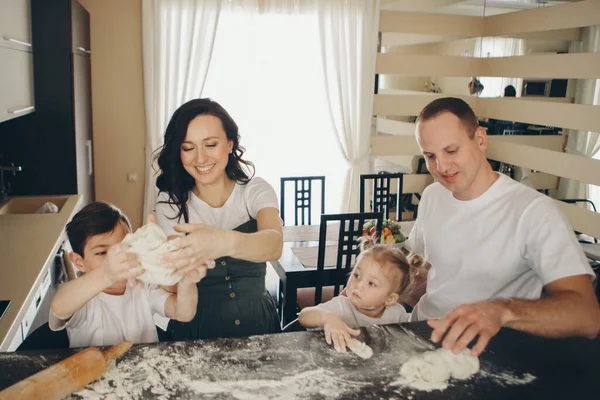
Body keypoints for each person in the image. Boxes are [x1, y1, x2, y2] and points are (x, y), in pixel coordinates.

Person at [408, 97, 600, 356]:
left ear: (480, 140)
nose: (441, 167)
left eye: (451, 151)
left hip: (487, 353)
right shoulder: (432, 195)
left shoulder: (534, 211)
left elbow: (586, 315)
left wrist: (503, 310)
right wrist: (377, 281)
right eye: (430, 156)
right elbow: (420, 267)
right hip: (419, 334)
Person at [154, 98, 283, 340]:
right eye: (188, 148)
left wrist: (221, 241)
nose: (200, 158)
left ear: (230, 144)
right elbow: (173, 282)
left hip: (258, 324)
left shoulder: (255, 190)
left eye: (210, 144)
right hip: (196, 329)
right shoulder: (169, 202)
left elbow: (273, 245)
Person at [49, 202, 203, 348]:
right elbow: (59, 307)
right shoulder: (83, 300)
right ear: (78, 261)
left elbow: (184, 313)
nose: (116, 258)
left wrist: (186, 280)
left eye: (124, 246)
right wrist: (107, 274)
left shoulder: (142, 287)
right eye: (102, 252)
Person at [298, 237, 424, 352]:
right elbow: (304, 316)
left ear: (390, 299)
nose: (359, 285)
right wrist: (327, 318)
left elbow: (405, 340)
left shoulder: (397, 313)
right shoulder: (342, 306)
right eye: (357, 275)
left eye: (371, 283)